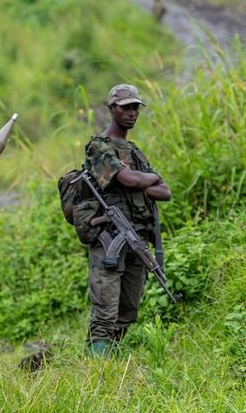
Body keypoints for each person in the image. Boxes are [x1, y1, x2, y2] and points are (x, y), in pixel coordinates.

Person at [84, 84, 172, 356]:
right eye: (126, 107)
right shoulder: (98, 147)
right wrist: (145, 180)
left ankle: (111, 360)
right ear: (112, 109)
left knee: (128, 309)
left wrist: (141, 182)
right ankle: (94, 370)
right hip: (109, 237)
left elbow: (165, 191)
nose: (132, 113)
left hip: (137, 238)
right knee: (105, 311)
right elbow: (127, 179)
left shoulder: (134, 151)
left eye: (136, 107)